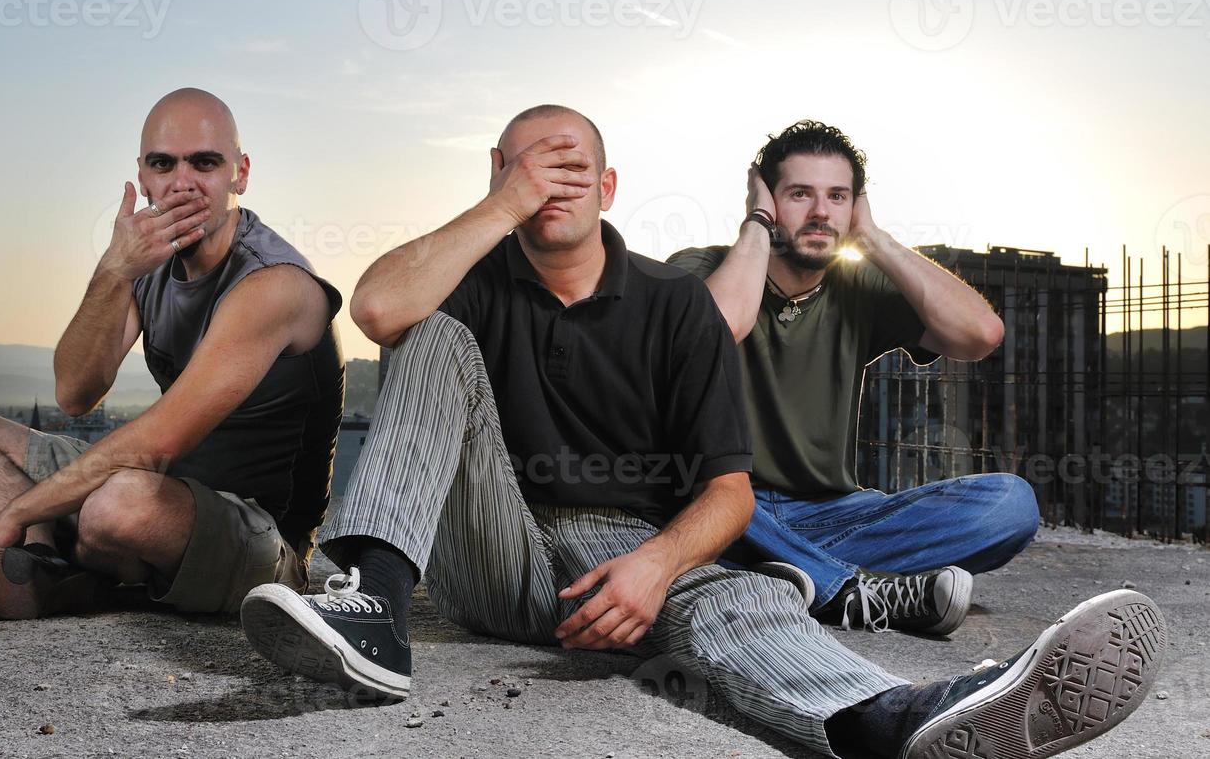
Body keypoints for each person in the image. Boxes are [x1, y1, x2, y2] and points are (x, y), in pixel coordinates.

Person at [236, 105, 1163, 758]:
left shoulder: (672, 301)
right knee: (427, 335)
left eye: (568, 163)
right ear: (498, 175)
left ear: (607, 184)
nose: (547, 176)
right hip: (502, 544)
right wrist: (502, 208)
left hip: (639, 549)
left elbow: (727, 493)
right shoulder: (476, 281)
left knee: (737, 596)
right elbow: (379, 308)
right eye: (526, 162)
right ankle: (377, 617)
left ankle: (899, 721)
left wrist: (654, 565)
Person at [0, 88, 345, 619]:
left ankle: (62, 563)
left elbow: (158, 442)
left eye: (205, 162)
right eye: (164, 163)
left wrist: (13, 515)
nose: (182, 182)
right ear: (143, 174)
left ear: (240, 174)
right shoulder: (151, 263)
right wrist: (115, 269)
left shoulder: (273, 284)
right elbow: (75, 393)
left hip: (263, 539)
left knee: (118, 507)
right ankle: (47, 567)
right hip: (166, 489)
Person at [669, 121, 1038, 636]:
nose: (821, 212)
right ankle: (844, 590)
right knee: (676, 494)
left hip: (829, 510)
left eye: (837, 197)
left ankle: (781, 573)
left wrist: (873, 238)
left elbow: (980, 335)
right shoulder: (700, 268)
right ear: (767, 197)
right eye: (800, 193)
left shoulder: (857, 286)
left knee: (1009, 505)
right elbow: (718, 329)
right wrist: (754, 223)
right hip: (722, 503)